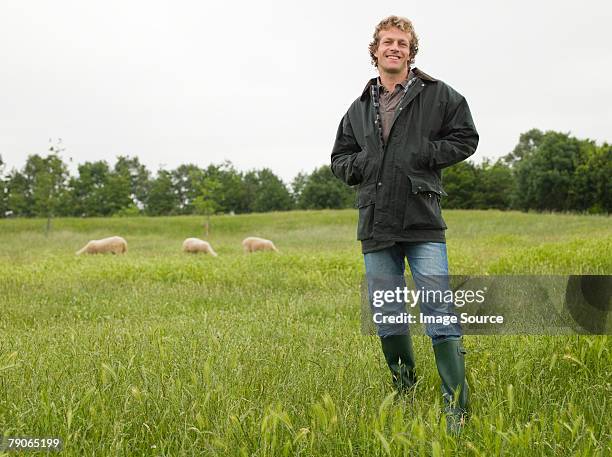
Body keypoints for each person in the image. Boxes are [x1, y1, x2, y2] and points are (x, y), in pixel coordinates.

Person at [330, 15, 479, 432]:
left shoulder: (438, 95)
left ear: (411, 52)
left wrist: (422, 154)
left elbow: (466, 137)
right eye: (387, 42)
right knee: (387, 314)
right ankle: (406, 393)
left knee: (439, 312)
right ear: (375, 50)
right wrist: (364, 163)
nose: (394, 48)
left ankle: (456, 408)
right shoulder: (359, 107)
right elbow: (339, 159)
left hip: (421, 219)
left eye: (402, 43)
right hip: (376, 222)